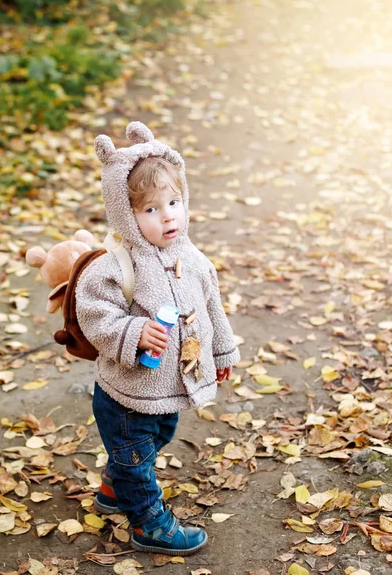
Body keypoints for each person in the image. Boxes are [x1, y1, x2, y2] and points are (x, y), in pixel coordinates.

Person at [76, 121, 240, 555]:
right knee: (135, 453)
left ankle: (114, 488)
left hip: (169, 386)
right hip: (127, 393)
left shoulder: (192, 257)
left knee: (159, 434)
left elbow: (211, 307)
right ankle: (147, 522)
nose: (167, 215)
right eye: (150, 209)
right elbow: (92, 313)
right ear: (125, 214)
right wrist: (132, 331)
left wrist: (220, 351)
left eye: (173, 202)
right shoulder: (116, 266)